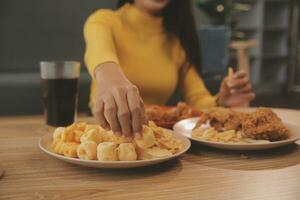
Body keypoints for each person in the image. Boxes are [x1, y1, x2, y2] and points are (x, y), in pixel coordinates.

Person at [84, 0, 255, 139]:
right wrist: (108, 73)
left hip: (154, 138)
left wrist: (221, 102)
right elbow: (98, 50)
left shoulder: (175, 42)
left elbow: (198, 100)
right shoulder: (104, 21)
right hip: (103, 132)